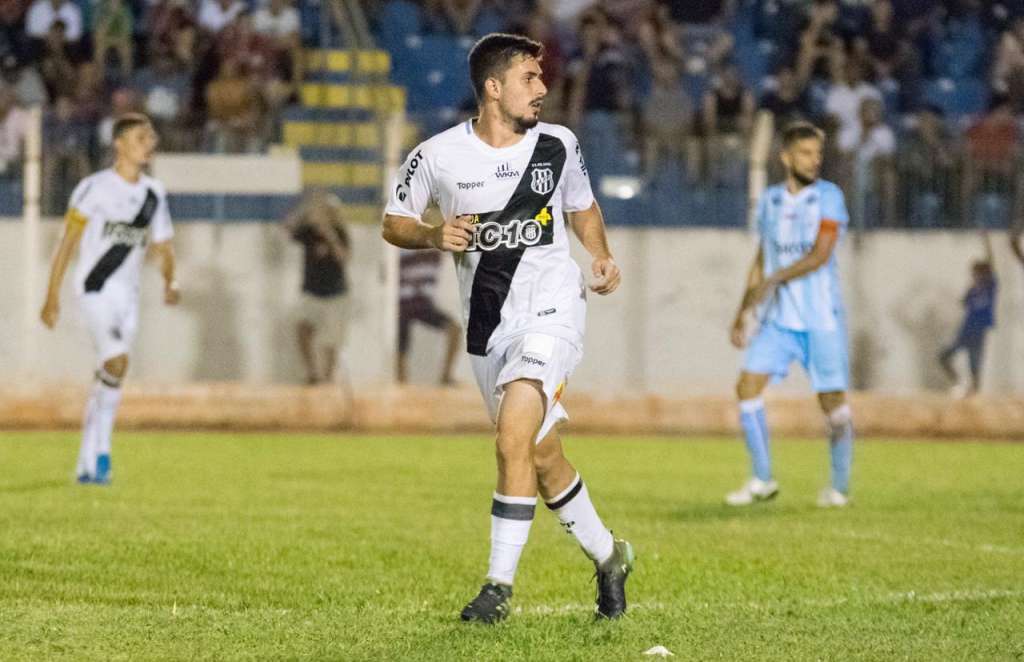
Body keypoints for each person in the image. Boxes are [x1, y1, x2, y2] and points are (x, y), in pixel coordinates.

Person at [382, 33, 633, 623]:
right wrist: (429, 234)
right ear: (493, 89)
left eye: (541, 78)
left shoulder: (558, 146)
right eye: (529, 78)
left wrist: (599, 254)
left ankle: (497, 587)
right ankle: (609, 556)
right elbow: (394, 221)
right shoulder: (437, 156)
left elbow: (582, 205)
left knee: (511, 437)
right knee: (542, 457)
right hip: (486, 327)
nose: (543, 88)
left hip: (551, 311)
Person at [40, 113, 179, 485]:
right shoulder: (94, 187)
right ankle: (102, 454)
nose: (148, 144)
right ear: (119, 144)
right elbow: (68, 241)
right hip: (95, 287)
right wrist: (51, 294)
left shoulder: (154, 194)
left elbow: (163, 244)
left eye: (151, 138)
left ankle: (86, 462)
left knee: (110, 376)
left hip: (129, 297)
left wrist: (170, 280)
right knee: (117, 362)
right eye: (140, 137)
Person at [727, 121, 854, 509]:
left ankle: (839, 486)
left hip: (821, 320)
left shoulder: (830, 197)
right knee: (747, 387)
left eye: (818, 153)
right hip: (779, 321)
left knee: (831, 403)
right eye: (806, 153)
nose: (814, 160)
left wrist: (774, 280)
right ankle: (762, 479)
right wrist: (742, 311)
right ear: (786, 157)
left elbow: (821, 254)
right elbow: (761, 258)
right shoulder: (769, 202)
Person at [284, 190, 351, 386]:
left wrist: (330, 236)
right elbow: (287, 228)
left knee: (332, 341)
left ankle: (328, 377)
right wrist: (305, 212)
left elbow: (343, 258)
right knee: (302, 328)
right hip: (312, 291)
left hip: (335, 294)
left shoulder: (340, 233)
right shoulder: (309, 232)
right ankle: (312, 372)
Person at [939, 232, 997, 398]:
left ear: (983, 273)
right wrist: (970, 288)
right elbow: (962, 302)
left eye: (977, 272)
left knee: (974, 362)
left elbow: (991, 262)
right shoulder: (973, 289)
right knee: (943, 357)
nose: (974, 275)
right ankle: (958, 382)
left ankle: (973, 391)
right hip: (966, 329)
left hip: (979, 330)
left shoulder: (990, 285)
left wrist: (986, 239)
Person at [397, 247, 460, 385]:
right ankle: (401, 379)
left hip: (423, 305)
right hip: (403, 305)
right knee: (399, 337)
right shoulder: (403, 251)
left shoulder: (435, 252)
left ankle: (446, 375)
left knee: (455, 329)